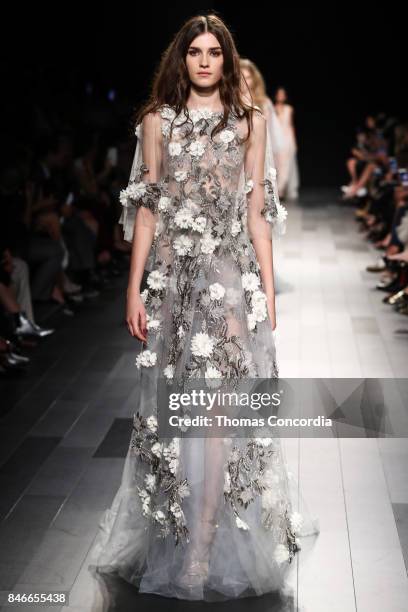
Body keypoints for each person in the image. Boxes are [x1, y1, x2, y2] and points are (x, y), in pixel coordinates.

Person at [89, 13, 318, 602]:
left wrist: (266, 288)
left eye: (215, 51)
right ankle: (172, 528)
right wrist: (133, 286)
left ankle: (203, 538)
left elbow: (256, 213)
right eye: (195, 51)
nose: (205, 61)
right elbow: (147, 210)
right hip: (173, 283)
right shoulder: (156, 123)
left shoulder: (250, 123)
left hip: (228, 279)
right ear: (181, 59)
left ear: (228, 57)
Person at [274, 86, 300, 201]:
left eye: (283, 94)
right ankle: (277, 189)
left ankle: (281, 190)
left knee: (286, 164)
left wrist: (294, 141)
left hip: (287, 138)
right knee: (277, 164)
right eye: (279, 94)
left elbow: (291, 125)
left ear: (285, 96)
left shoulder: (289, 109)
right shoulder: (272, 108)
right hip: (276, 138)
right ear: (276, 96)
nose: (281, 96)